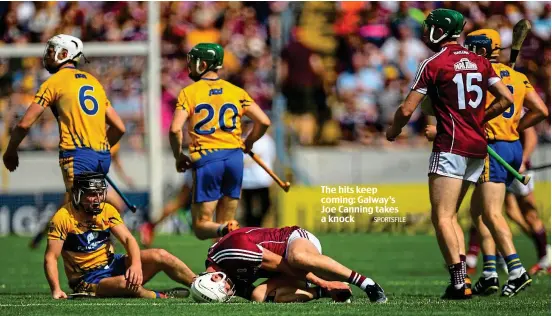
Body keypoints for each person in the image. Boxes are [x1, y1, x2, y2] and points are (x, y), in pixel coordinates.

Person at [386, 10, 515, 299]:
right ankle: (462, 280)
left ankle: (459, 282)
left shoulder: (433, 63)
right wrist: (479, 120)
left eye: (428, 27)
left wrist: (393, 131)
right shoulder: (482, 62)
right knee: (452, 215)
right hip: (478, 147)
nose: (424, 32)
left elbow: (407, 109)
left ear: (440, 31)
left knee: (442, 217)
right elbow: (506, 99)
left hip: (451, 146)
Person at [0, 34, 126, 247]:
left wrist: (10, 151)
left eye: (51, 51)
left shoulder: (54, 82)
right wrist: (100, 147)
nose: (46, 56)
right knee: (91, 213)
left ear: (64, 54)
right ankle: (116, 258)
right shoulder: (93, 81)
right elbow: (120, 127)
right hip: (101, 156)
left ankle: (109, 265)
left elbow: (24, 124)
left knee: (81, 218)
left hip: (77, 156)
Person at [169, 43, 271, 240]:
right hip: (234, 158)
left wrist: (178, 156)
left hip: (207, 158)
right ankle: (222, 265)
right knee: (225, 225)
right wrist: (249, 142)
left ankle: (225, 231)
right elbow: (264, 121)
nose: (190, 66)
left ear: (204, 64)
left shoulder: (189, 92)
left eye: (194, 62)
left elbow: (174, 129)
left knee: (201, 227)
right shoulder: (237, 91)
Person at [44, 172, 197, 299]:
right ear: (78, 194)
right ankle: (160, 296)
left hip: (112, 263)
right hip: (86, 278)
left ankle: (200, 283)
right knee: (126, 283)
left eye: (100, 193)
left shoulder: (107, 210)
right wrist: (56, 289)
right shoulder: (62, 217)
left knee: (161, 255)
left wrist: (136, 264)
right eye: (92, 194)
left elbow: (128, 239)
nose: (97, 199)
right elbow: (51, 257)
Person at [191, 226, 387, 303]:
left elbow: (282, 264)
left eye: (224, 289)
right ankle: (325, 294)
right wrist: (323, 288)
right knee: (258, 297)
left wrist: (323, 281)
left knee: (297, 257)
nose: (229, 290)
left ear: (216, 276)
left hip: (291, 242)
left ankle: (367, 284)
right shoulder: (220, 274)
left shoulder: (234, 250)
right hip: (277, 268)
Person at [29, 142, 135, 249]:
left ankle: (109, 237)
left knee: (118, 206)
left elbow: (117, 162)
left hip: (101, 180)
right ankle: (42, 233)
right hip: (83, 179)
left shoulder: (114, 142)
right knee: (62, 210)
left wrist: (125, 178)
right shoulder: (89, 137)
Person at [139, 171, 193, 247]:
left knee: (180, 202)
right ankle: (150, 226)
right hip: (200, 168)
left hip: (202, 168)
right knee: (180, 201)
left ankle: (150, 226)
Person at [241, 119, 275, 227]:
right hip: (247, 180)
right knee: (248, 208)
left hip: (261, 179)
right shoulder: (241, 139)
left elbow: (269, 156)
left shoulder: (266, 140)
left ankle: (257, 224)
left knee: (265, 205)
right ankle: (251, 228)